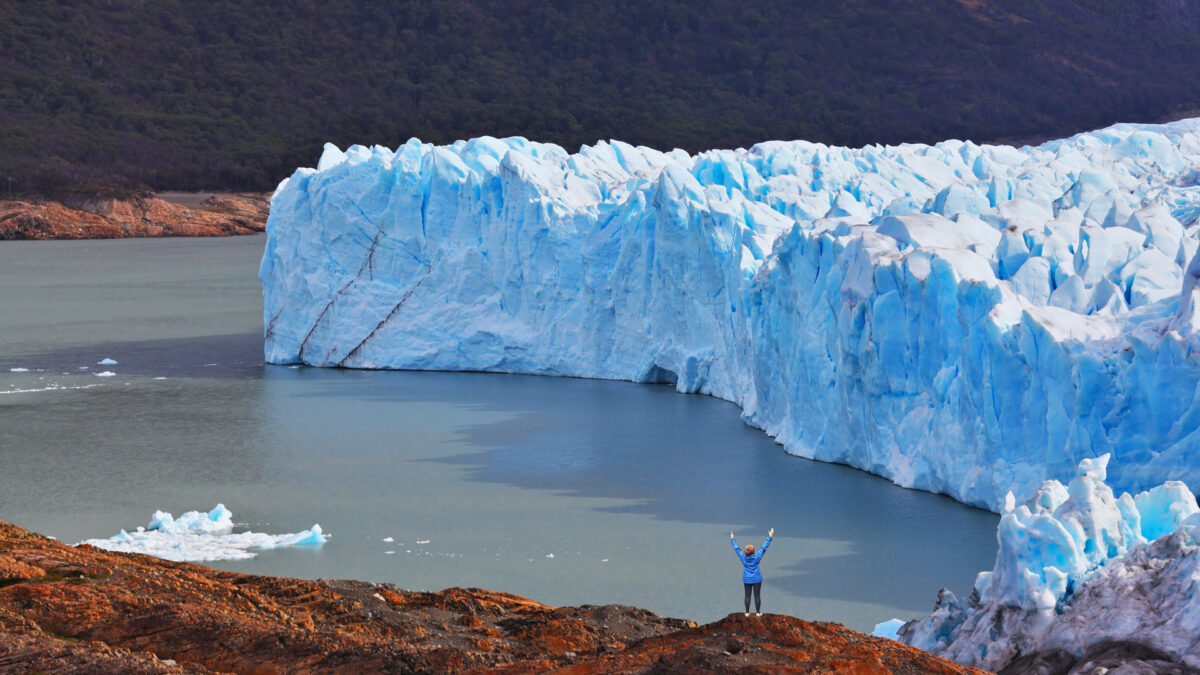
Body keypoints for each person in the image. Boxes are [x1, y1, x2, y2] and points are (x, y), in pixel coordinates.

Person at [731, 528, 773, 616]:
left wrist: (732, 539)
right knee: (757, 596)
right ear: (753, 551)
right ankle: (758, 613)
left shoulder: (742, 557)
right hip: (757, 578)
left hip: (746, 578)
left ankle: (747, 612)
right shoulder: (757, 556)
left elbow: (736, 549)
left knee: (747, 595)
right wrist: (769, 537)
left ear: (745, 552)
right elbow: (764, 547)